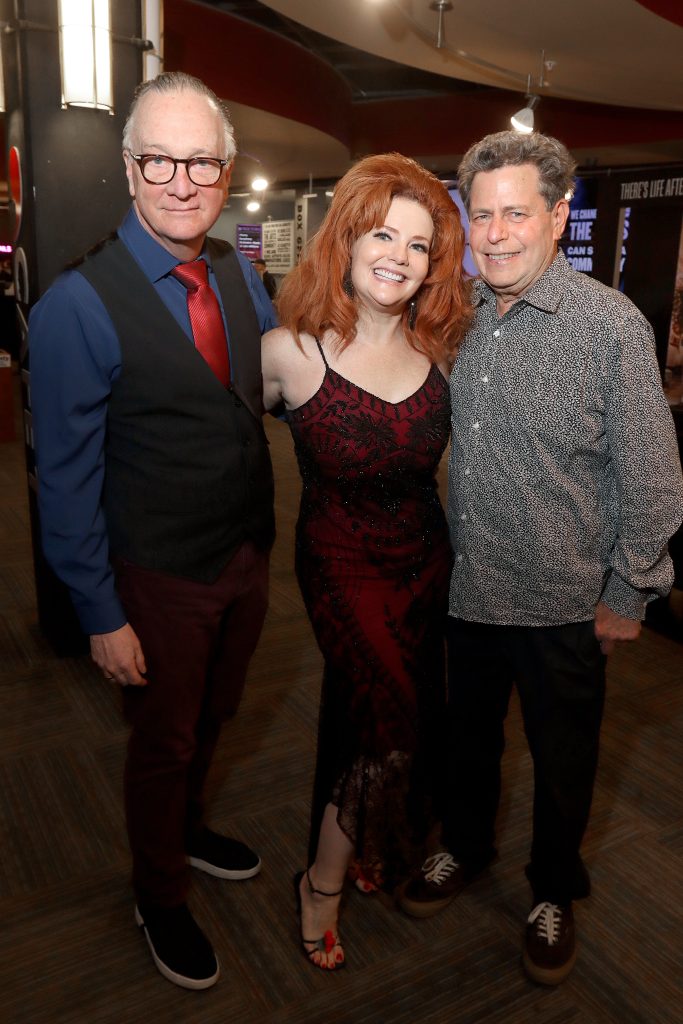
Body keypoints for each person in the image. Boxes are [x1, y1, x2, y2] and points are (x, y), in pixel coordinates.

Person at [398, 130, 683, 985]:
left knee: (562, 764)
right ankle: (465, 846)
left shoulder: (609, 326)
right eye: (481, 216)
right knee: (467, 744)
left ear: (557, 217)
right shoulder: (454, 315)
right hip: (467, 591)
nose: (494, 235)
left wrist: (628, 593)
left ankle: (553, 888)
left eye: (515, 214)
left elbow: (651, 475)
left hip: (564, 605)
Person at [29, 72, 277, 991]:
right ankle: (158, 890)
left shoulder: (237, 274)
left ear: (224, 172)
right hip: (159, 573)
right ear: (131, 169)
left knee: (216, 715)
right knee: (163, 742)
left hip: (245, 554)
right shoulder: (76, 306)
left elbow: (263, 390)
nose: (182, 181)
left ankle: (187, 830)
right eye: (160, 161)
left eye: (201, 161)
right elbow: (63, 481)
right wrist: (100, 614)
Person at [262, 152, 472, 970]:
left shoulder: (441, 354)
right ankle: (319, 883)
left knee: (383, 720)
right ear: (346, 240)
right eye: (382, 234)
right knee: (389, 723)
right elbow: (210, 446)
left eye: (418, 245)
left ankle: (371, 842)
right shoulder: (286, 352)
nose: (398, 256)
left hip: (424, 566)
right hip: (338, 568)